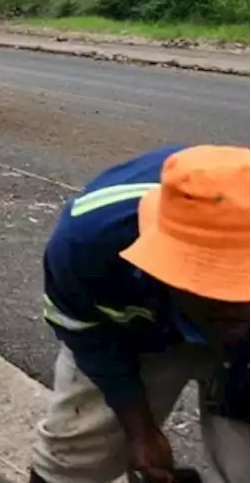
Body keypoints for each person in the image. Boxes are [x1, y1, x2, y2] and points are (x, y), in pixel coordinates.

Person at [31, 145, 251, 483]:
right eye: (211, 282)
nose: (234, 304)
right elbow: (86, 333)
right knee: (77, 455)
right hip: (139, 329)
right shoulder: (90, 244)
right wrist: (140, 432)